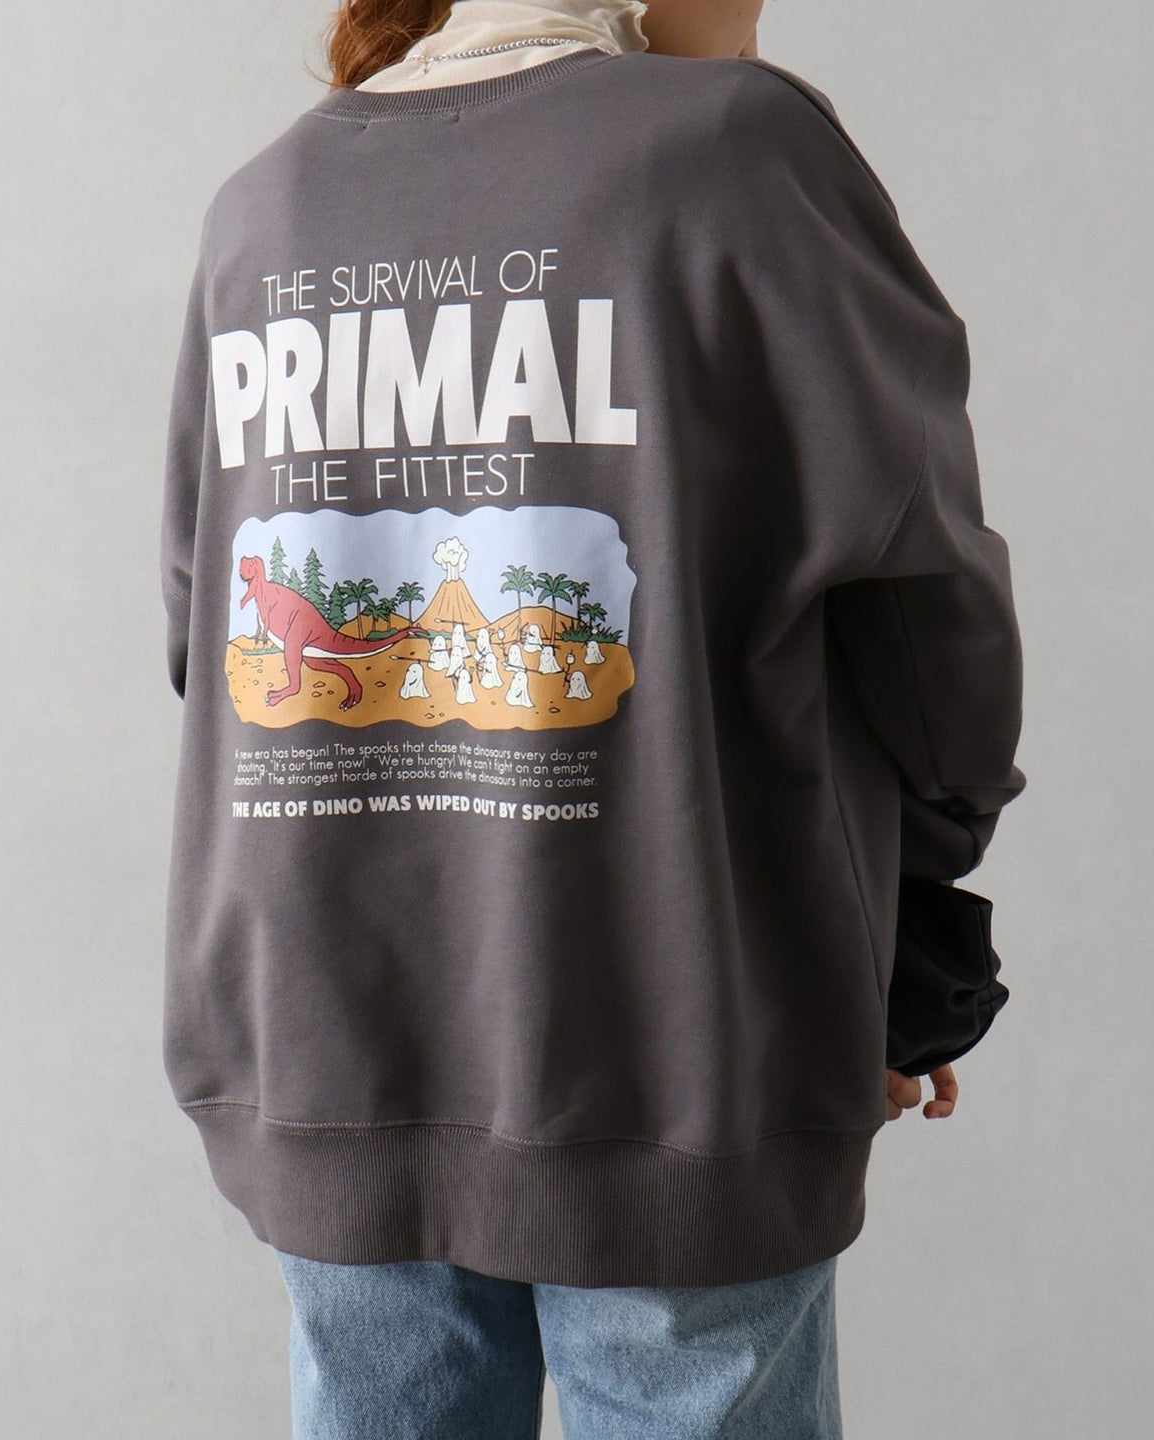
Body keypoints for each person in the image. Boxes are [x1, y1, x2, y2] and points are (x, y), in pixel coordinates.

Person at [157, 0, 1027, 1434]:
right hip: (675, 1041)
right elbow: (921, 592)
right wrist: (915, 911)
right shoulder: (737, 144)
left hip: (318, 1040)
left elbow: (208, 637)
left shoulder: (268, 199)